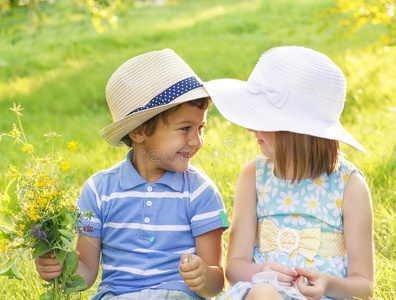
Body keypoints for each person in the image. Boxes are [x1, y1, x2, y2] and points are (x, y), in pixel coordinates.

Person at [35, 49, 229, 300]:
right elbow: (85, 272)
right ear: (138, 132)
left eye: (201, 127)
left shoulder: (200, 191)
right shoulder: (99, 190)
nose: (197, 140)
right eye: (185, 129)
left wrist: (204, 276)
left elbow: (216, 282)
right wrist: (58, 269)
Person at [203, 46, 374, 299]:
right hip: (263, 293)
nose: (250, 128)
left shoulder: (349, 186)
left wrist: (328, 283)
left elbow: (364, 286)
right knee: (263, 293)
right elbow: (235, 267)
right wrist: (262, 272)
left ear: (297, 132)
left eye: (262, 119)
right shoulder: (253, 176)